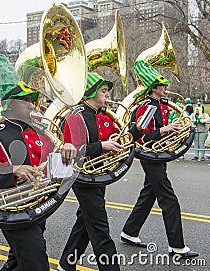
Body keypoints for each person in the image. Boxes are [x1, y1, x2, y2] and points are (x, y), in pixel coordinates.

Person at [0, 54, 53, 271]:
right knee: (37, 262)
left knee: (18, 261)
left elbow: (52, 161)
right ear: (10, 104)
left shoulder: (37, 130)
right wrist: (13, 171)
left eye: (30, 100)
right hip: (13, 208)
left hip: (39, 202)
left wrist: (67, 149)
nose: (31, 105)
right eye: (25, 101)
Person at [121, 60, 199, 258]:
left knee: (149, 194)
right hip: (150, 156)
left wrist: (175, 129)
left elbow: (159, 133)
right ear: (154, 88)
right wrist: (163, 130)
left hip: (159, 155)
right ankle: (177, 246)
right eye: (163, 86)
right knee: (169, 199)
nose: (166, 88)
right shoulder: (146, 107)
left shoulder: (160, 105)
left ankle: (129, 232)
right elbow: (141, 137)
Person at [57, 72, 122, 271]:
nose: (107, 95)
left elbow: (120, 139)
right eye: (103, 91)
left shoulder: (103, 116)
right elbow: (74, 153)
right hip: (82, 176)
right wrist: (102, 146)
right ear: (91, 93)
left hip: (99, 173)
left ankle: (66, 264)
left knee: (86, 221)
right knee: (100, 227)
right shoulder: (76, 117)